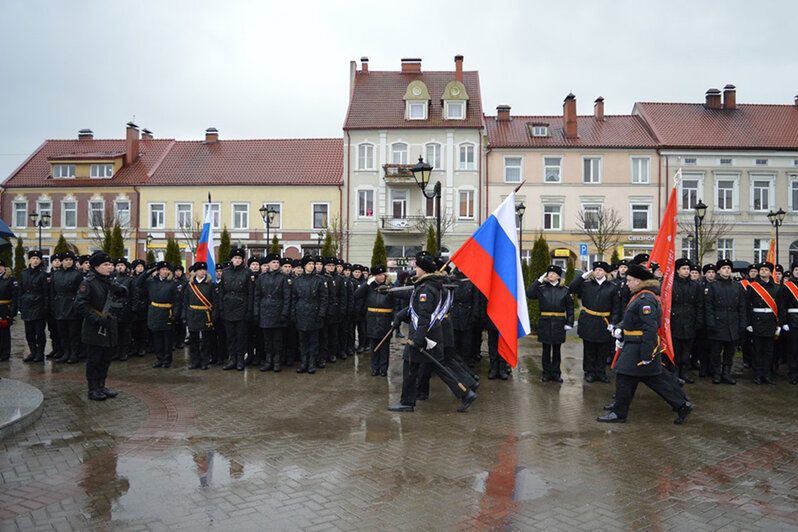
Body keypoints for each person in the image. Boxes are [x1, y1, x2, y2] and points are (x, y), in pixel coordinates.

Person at [597, 263, 694, 424]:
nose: (626, 283)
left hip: (639, 346)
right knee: (653, 379)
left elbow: (650, 328)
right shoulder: (639, 296)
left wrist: (647, 353)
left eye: (629, 280)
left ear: (638, 281)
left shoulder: (646, 299)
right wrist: (619, 329)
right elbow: (631, 319)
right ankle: (681, 404)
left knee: (624, 376)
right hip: (636, 345)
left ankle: (619, 413)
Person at [388, 251, 477, 413]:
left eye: (418, 267)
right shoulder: (430, 285)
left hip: (424, 335)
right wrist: (390, 292)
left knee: (410, 366)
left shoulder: (426, 289)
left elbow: (424, 316)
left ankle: (407, 402)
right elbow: (412, 299)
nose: (416, 270)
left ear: (423, 269)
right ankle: (465, 393)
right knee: (439, 367)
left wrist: (418, 339)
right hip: (432, 334)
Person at [74, 252, 126, 401]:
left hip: (110, 326)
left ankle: (102, 385)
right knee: (94, 360)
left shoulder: (109, 281)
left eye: (110, 264)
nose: (109, 267)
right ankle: (93, 389)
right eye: (105, 265)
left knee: (106, 359)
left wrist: (122, 291)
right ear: (96, 267)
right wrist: (97, 319)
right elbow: (80, 305)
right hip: (94, 328)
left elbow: (120, 296)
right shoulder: (88, 282)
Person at [569, 261, 619, 383]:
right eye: (596, 270)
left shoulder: (612, 287)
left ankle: (600, 372)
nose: (597, 272)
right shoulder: (586, 285)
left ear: (605, 273)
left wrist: (613, 322)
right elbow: (572, 288)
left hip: (604, 321)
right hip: (589, 320)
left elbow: (616, 307)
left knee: (603, 349)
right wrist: (581, 278)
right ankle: (589, 372)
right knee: (589, 348)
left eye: (600, 270)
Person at [527, 265, 575, 383]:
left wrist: (569, 322)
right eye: (549, 273)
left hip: (559, 322)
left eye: (553, 273)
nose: (550, 275)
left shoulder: (565, 290)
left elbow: (570, 308)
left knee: (557, 350)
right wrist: (538, 280)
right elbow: (529, 294)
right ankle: (546, 373)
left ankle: (556, 373)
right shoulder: (542, 288)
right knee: (546, 349)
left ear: (558, 276)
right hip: (545, 321)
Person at [704, 258, 746, 384]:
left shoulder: (737, 286)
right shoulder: (712, 286)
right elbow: (708, 306)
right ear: (719, 270)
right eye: (723, 268)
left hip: (732, 322)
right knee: (716, 351)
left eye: (728, 268)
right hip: (718, 322)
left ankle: (726, 373)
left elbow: (742, 306)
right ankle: (716, 373)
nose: (726, 270)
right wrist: (710, 322)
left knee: (729, 351)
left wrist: (742, 323)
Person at [137, 260, 183, 368]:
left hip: (167, 313)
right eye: (162, 269)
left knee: (167, 338)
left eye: (166, 270)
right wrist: (150, 271)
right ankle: (159, 358)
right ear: (158, 271)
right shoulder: (151, 282)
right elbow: (139, 282)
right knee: (156, 338)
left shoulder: (172, 284)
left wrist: (175, 315)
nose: (165, 271)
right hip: (154, 313)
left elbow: (177, 301)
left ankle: (167, 359)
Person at [354, 264, 394, 376]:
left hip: (385, 319)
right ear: (374, 276)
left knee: (384, 346)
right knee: (373, 346)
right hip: (372, 319)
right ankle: (374, 368)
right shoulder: (369, 287)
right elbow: (356, 295)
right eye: (379, 275)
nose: (382, 277)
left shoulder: (390, 286)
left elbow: (396, 303)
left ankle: (383, 369)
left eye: (383, 274)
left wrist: (393, 319)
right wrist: (366, 284)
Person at [746, 261, 781, 384]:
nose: (763, 272)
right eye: (762, 270)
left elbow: (780, 307)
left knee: (769, 351)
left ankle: (767, 375)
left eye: (766, 270)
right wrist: (749, 324)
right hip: (757, 321)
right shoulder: (753, 286)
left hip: (771, 322)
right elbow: (747, 306)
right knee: (757, 350)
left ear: (770, 272)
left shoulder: (777, 288)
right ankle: (757, 375)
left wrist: (779, 324)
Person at [254, 253, 290, 372]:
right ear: (268, 264)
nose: (275, 264)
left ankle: (277, 361)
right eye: (273, 262)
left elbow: (287, 297)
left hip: (278, 311)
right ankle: (268, 361)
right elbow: (257, 296)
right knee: (267, 339)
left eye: (277, 262)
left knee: (277, 339)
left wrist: (284, 312)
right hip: (265, 311)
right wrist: (256, 312)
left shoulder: (283, 278)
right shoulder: (262, 278)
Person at [291, 256, 327, 374]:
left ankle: (312, 363)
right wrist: (293, 314)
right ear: (304, 266)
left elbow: (323, 299)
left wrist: (321, 313)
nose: (312, 266)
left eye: (313, 264)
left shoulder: (319, 280)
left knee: (313, 341)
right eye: (310, 264)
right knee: (302, 341)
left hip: (314, 313)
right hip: (301, 313)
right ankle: (304, 362)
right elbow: (294, 299)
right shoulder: (297, 281)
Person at [671, 258, 704, 383]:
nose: (686, 271)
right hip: (675, 320)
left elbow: (699, 304)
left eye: (688, 269)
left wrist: (698, 320)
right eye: (683, 269)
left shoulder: (695, 285)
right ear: (678, 270)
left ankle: (684, 372)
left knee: (687, 349)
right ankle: (675, 372)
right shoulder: (671, 284)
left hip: (690, 319)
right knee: (676, 348)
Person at [220, 249, 253, 371]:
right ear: (231, 259)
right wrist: (221, 309)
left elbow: (250, 293)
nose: (237, 260)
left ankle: (240, 360)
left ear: (242, 260)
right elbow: (221, 292)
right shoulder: (225, 272)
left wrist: (249, 310)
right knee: (230, 336)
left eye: (239, 258)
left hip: (241, 308)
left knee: (241, 336)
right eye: (235, 258)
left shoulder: (247, 273)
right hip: (228, 307)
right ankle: (232, 359)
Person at [50, 251, 84, 364]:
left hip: (72, 305)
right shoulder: (56, 274)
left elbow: (81, 292)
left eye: (70, 260)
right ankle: (65, 353)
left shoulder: (77, 274)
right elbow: (52, 292)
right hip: (59, 304)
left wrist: (77, 305)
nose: (68, 262)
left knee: (73, 333)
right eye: (66, 260)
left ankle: (74, 353)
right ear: (62, 261)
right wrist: (53, 305)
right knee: (62, 332)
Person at [183, 261, 218, 370]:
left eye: (204, 270)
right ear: (196, 272)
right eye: (200, 270)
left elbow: (215, 301)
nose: (202, 272)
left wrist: (214, 315)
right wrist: (185, 316)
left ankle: (205, 361)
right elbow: (185, 301)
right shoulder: (190, 285)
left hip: (205, 315)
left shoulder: (211, 284)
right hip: (193, 314)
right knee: (193, 340)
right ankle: (194, 361)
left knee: (206, 340)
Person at [20, 250, 49, 362]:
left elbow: (46, 292)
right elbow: (21, 290)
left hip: (39, 305)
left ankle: (40, 354)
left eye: (37, 258)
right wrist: (20, 304)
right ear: (29, 260)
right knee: (29, 332)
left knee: (39, 332)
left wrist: (46, 307)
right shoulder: (24, 273)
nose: (35, 260)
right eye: (33, 258)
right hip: (26, 305)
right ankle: (33, 351)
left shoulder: (43, 274)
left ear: (40, 260)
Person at [782, 262, 798, 384]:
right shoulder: (787, 286)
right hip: (792, 321)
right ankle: (793, 374)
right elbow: (782, 306)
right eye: (796, 269)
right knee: (793, 349)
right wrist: (784, 322)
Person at [0, 259, 19, 361]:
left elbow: (15, 297)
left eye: (0, 266)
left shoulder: (10, 279)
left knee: (4, 332)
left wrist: (12, 312)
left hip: (5, 309)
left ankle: (5, 353)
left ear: (4, 267)